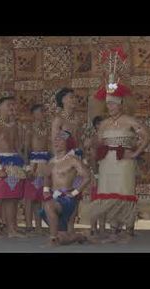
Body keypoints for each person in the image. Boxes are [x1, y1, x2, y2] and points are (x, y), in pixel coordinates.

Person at [90, 47, 150, 243]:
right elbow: (98, 141)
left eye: (114, 104)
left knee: (125, 192)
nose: (111, 107)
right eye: (109, 105)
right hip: (107, 162)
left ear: (121, 104)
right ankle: (114, 230)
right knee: (109, 194)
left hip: (124, 161)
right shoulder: (105, 123)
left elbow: (147, 136)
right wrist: (91, 143)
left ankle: (129, 230)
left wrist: (134, 154)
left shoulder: (129, 120)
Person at [0, 96, 26, 239]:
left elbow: (17, 147)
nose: (12, 108)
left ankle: (11, 230)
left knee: (12, 198)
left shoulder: (14, 125)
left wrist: (25, 165)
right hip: (0, 163)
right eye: (9, 105)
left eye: (13, 105)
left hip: (14, 163)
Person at [39, 132, 90, 246]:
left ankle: (53, 239)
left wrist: (75, 192)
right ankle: (79, 236)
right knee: (63, 236)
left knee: (49, 205)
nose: (56, 142)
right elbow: (47, 178)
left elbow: (87, 177)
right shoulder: (51, 161)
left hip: (67, 199)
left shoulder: (73, 159)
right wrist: (46, 191)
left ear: (67, 143)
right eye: (55, 139)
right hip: (54, 197)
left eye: (60, 140)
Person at [51, 88, 85, 233]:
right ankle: (60, 227)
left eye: (75, 97)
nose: (74, 100)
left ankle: (71, 226)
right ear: (63, 100)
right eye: (71, 97)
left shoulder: (77, 119)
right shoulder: (59, 119)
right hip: (64, 160)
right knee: (63, 192)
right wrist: (59, 162)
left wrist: (84, 158)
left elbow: (79, 141)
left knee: (76, 193)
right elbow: (55, 142)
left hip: (76, 158)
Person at [23, 104, 50, 235]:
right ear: (34, 114)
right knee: (30, 197)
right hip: (33, 165)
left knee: (40, 197)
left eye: (44, 111)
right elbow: (26, 150)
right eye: (41, 111)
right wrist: (27, 168)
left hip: (44, 165)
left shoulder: (47, 129)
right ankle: (28, 225)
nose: (44, 113)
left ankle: (38, 226)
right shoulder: (29, 129)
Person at [83, 115, 106, 235]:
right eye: (101, 123)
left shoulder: (108, 139)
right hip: (95, 172)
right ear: (96, 126)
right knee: (95, 199)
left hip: (106, 171)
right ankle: (93, 226)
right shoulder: (92, 139)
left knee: (104, 199)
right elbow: (88, 157)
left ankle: (102, 226)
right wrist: (94, 173)